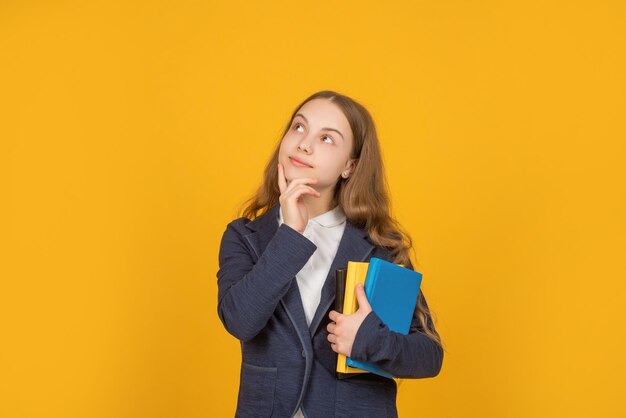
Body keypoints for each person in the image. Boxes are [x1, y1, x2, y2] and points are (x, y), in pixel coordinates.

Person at [216, 90, 444, 418]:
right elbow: (240, 320)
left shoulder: (381, 245)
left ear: (350, 166)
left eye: (326, 138)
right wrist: (290, 234)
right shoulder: (245, 236)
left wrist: (370, 339)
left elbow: (429, 355)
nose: (304, 144)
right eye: (298, 128)